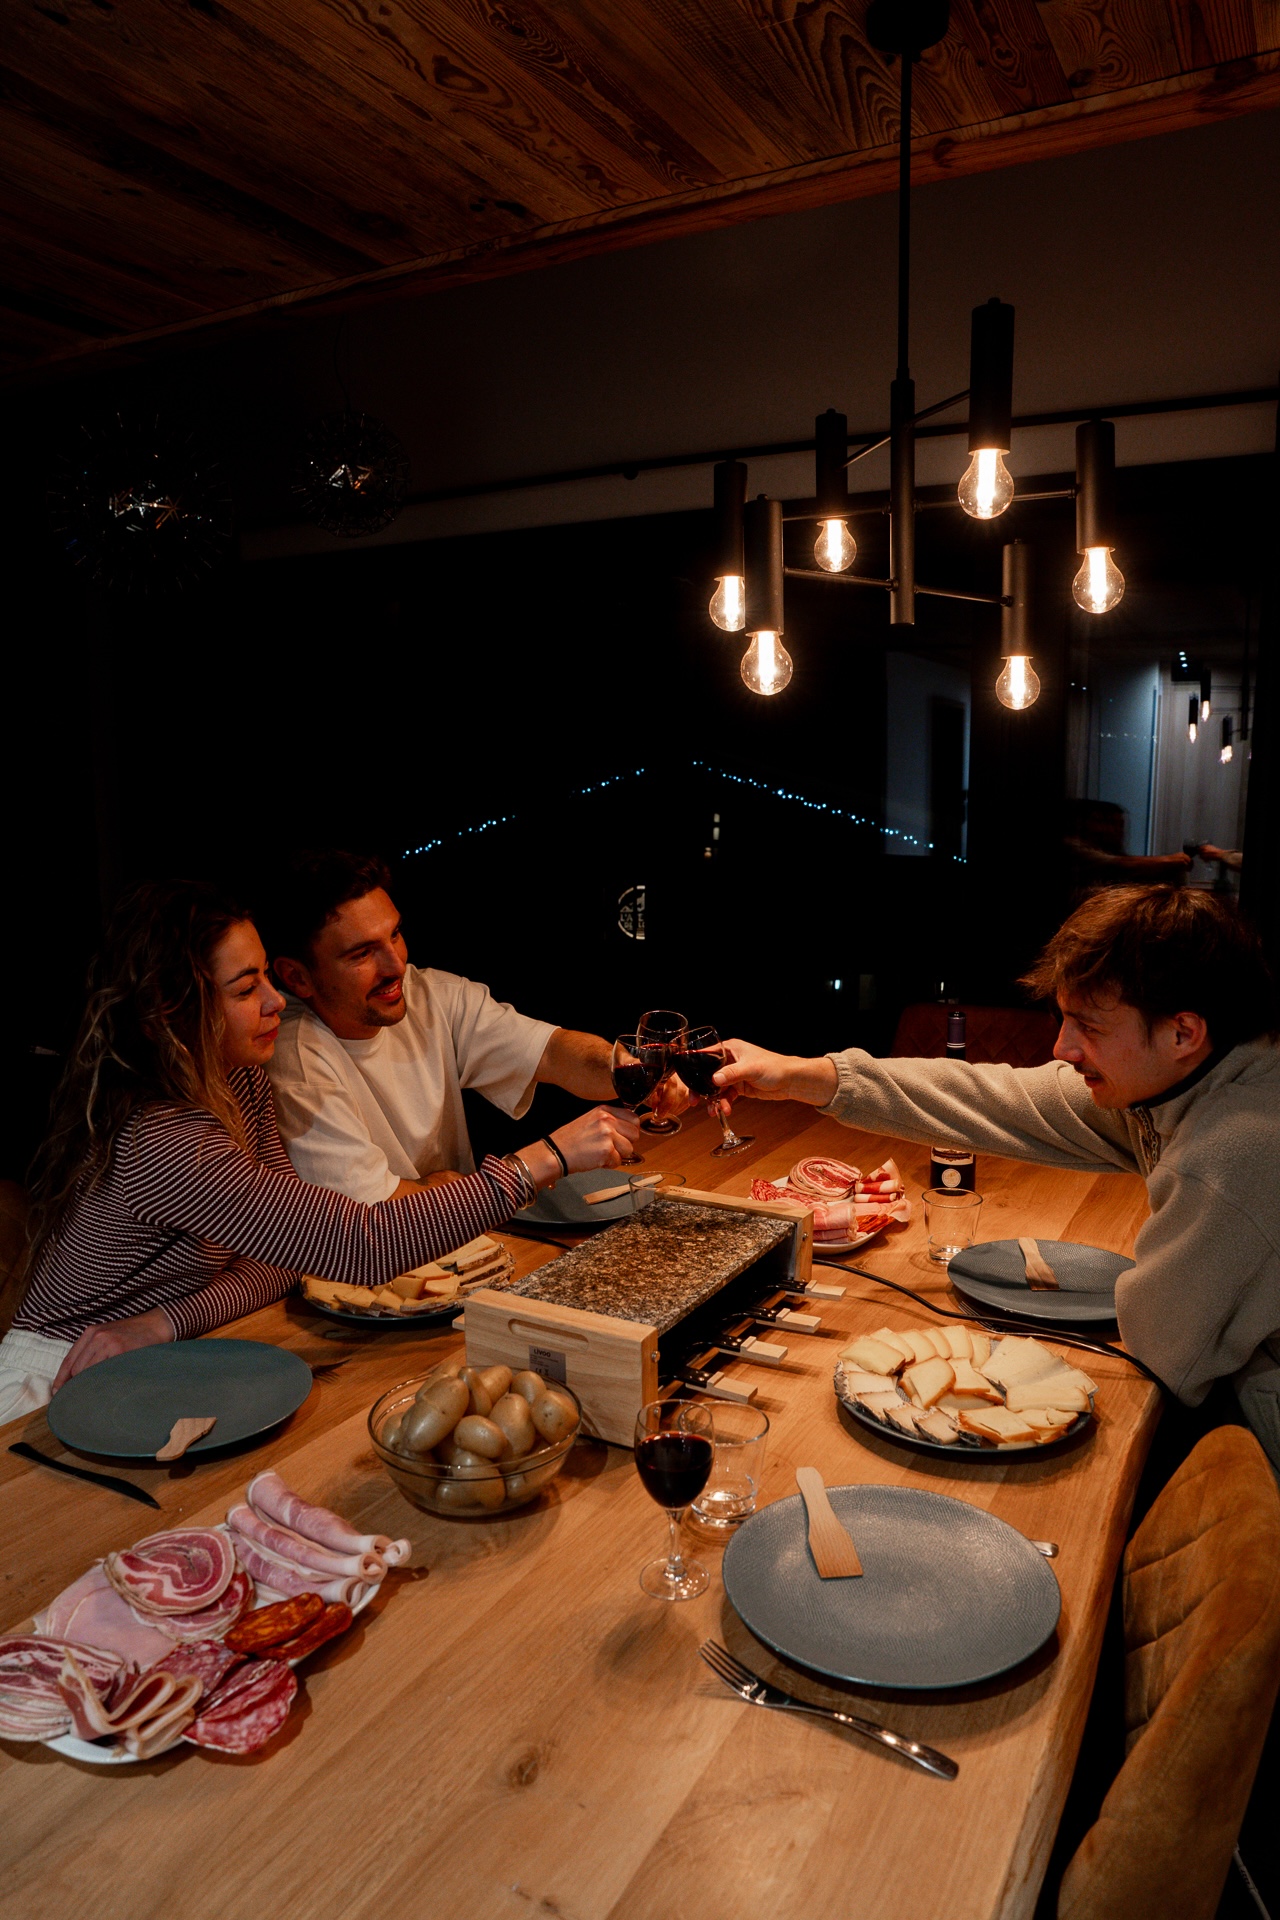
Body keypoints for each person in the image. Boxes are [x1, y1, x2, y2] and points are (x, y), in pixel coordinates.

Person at [0, 881, 635, 1420]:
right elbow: (359, 1246)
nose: (277, 1000)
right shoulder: (163, 1138)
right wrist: (543, 1158)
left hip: (154, 1346)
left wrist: (162, 1322)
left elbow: (282, 1265)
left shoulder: (238, 1073)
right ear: (171, 1011)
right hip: (57, 1367)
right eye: (246, 989)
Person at [710, 886, 1280, 1469]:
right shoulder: (1198, 1074)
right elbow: (998, 1098)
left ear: (1183, 1033)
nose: (1063, 1047)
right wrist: (804, 1076)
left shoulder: (1233, 1151)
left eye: (1088, 1027)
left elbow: (1163, 1351)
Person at [264, 851, 642, 1203]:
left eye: (394, 935)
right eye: (362, 953)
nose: (395, 965)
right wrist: (549, 1157)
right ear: (297, 977)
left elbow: (554, 1052)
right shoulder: (295, 1059)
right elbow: (372, 1224)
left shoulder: (429, 994)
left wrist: (632, 1071)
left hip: (465, 1242)